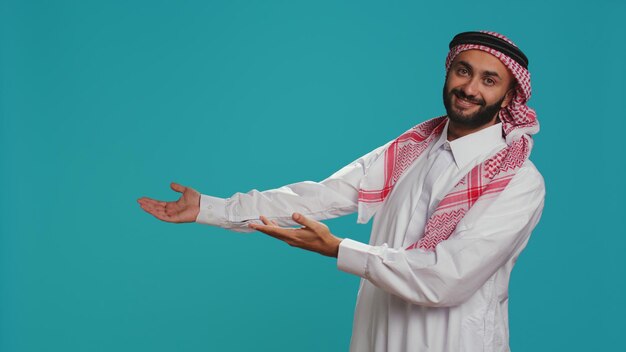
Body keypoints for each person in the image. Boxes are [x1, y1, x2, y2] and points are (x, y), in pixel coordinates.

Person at [137, 30, 545, 352]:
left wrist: (339, 249)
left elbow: (445, 278)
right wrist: (212, 208)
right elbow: (319, 196)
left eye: (489, 80)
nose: (470, 87)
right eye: (463, 71)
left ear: (509, 95)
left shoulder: (519, 180)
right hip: (377, 336)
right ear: (447, 72)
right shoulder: (411, 150)